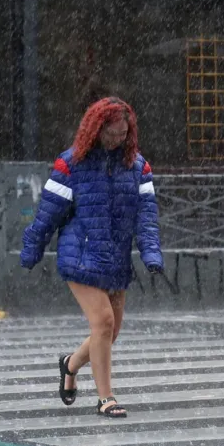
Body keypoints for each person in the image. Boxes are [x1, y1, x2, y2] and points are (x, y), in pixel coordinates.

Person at [20, 97, 163, 418]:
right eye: (110, 133)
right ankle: (106, 398)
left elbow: (147, 216)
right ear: (95, 129)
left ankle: (70, 365)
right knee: (103, 322)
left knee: (110, 331)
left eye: (122, 134)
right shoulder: (70, 164)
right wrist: (32, 248)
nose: (116, 140)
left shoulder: (139, 167)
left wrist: (152, 251)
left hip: (116, 258)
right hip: (80, 255)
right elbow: (48, 215)